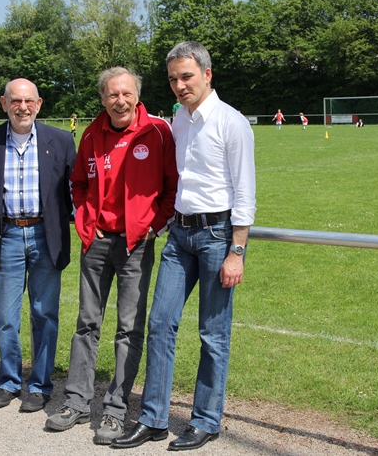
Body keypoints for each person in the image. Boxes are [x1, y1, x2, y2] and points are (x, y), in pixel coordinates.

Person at [112, 41, 256, 451]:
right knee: (160, 324)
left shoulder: (232, 123)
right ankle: (154, 419)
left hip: (217, 237)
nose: (179, 85)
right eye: (173, 78)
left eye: (186, 76)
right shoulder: (179, 119)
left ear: (207, 75)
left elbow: (245, 193)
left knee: (213, 333)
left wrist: (237, 251)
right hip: (179, 235)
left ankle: (207, 420)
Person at [45, 67, 178, 445]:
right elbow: (78, 184)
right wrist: (87, 222)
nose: (119, 100)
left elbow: (172, 185)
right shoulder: (91, 133)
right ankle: (76, 401)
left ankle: (117, 409)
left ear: (137, 95)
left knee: (128, 328)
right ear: (102, 99)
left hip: (136, 244)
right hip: (97, 241)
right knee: (87, 322)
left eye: (125, 93)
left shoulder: (157, 132)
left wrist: (155, 224)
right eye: (111, 94)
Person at [0, 78, 76, 413]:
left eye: (29, 101)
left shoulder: (60, 140)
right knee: (5, 315)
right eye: (15, 101)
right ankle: (9, 381)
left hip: (47, 235)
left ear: (39, 103)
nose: (23, 107)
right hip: (7, 236)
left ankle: (40, 385)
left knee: (44, 313)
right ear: (4, 104)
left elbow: (69, 191)